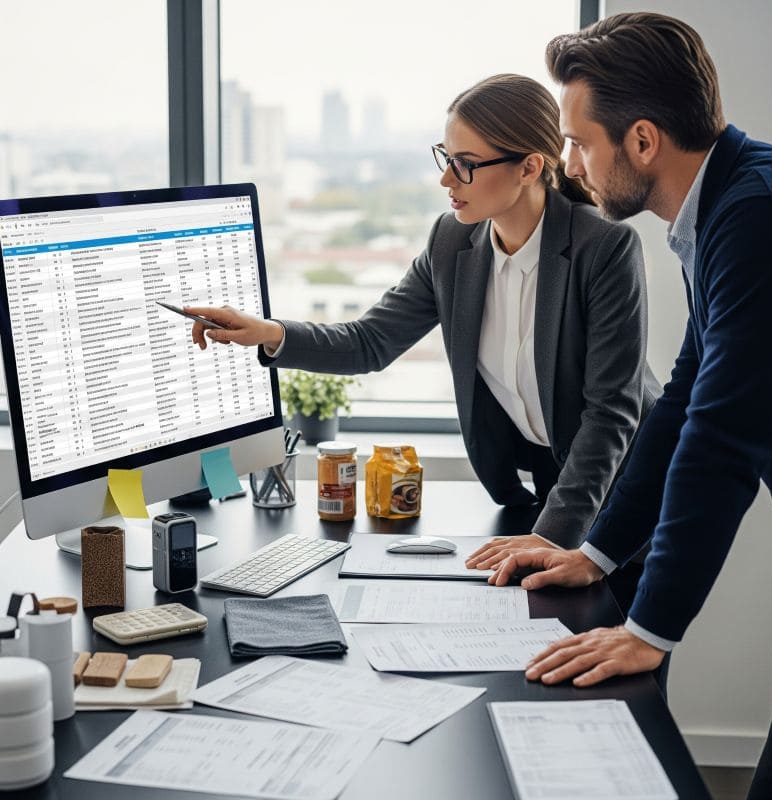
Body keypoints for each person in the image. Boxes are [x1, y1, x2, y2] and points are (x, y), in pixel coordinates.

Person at [479, 14, 772, 798]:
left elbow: (721, 439)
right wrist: (596, 552)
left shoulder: (756, 214)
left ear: (645, 140)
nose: (570, 164)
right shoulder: (729, 203)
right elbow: (687, 395)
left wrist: (649, 631)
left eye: (582, 142)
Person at [188, 73, 658, 570]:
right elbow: (369, 342)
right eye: (446, 157)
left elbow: (609, 415)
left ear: (529, 167)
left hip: (628, 493)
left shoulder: (605, 249)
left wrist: (551, 537)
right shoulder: (452, 244)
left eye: (466, 165)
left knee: (606, 639)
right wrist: (270, 334)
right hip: (548, 489)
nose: (446, 180)